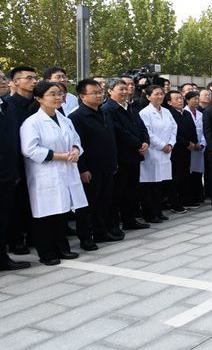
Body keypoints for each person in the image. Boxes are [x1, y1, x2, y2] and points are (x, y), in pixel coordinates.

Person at [19, 81, 87, 266]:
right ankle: (46, 252)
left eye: (59, 94)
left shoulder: (65, 119)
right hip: (45, 174)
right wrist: (59, 156)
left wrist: (75, 150)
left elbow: (76, 139)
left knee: (61, 212)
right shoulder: (32, 123)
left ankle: (62, 247)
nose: (58, 97)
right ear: (39, 98)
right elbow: (30, 150)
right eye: (52, 94)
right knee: (45, 214)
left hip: (66, 171)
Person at [70, 79, 120, 250]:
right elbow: (77, 145)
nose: (99, 95)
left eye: (100, 92)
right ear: (82, 96)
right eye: (94, 93)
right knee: (87, 205)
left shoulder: (104, 113)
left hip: (107, 166)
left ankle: (100, 231)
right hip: (90, 169)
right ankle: (85, 237)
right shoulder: (76, 117)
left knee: (104, 201)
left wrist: (114, 162)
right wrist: (82, 169)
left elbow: (111, 139)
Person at [102, 78, 150, 234]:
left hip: (135, 155)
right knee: (117, 193)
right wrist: (138, 144)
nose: (124, 91)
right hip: (121, 156)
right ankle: (114, 225)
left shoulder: (130, 107)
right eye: (120, 89)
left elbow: (142, 127)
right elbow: (119, 132)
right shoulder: (107, 109)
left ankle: (130, 220)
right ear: (109, 91)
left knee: (131, 191)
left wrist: (145, 142)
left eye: (125, 88)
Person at [138, 85, 177, 224]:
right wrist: (162, 145)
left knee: (160, 184)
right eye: (156, 94)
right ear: (148, 97)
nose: (160, 96)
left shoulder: (167, 111)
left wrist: (171, 144)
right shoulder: (144, 113)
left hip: (166, 152)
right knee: (150, 185)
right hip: (152, 152)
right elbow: (148, 133)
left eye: (161, 94)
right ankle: (150, 214)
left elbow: (174, 128)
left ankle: (158, 211)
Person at [0, 91, 28, 270]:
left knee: (3, 218)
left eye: (3, 77)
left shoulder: (6, 107)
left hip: (8, 174)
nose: (3, 80)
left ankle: (2, 257)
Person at [165, 90, 199, 211]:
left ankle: (186, 199)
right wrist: (186, 143)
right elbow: (174, 133)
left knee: (185, 175)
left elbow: (192, 129)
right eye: (177, 99)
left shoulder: (186, 113)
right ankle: (175, 203)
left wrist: (194, 142)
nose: (180, 100)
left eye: (181, 98)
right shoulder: (169, 114)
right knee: (175, 176)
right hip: (176, 149)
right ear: (169, 102)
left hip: (188, 150)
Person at [185, 91, 206, 204]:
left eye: (198, 99)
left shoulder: (201, 114)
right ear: (187, 100)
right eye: (194, 99)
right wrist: (192, 143)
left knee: (198, 172)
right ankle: (190, 197)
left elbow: (204, 131)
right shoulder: (185, 112)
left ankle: (198, 195)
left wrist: (202, 143)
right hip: (189, 147)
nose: (196, 101)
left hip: (199, 147)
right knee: (189, 172)